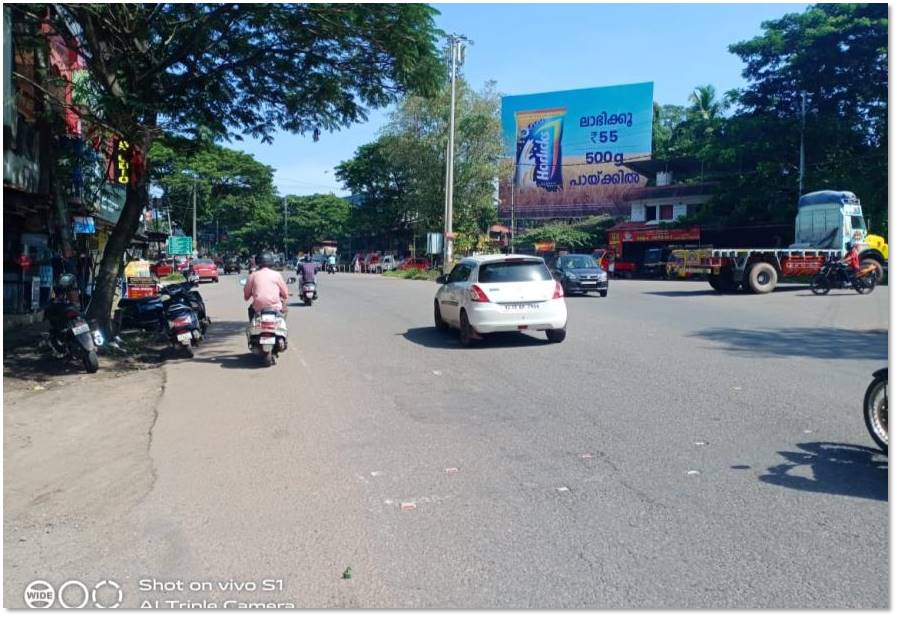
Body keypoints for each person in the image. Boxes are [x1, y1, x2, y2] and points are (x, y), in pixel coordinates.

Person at [243, 251, 288, 320]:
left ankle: (252, 326)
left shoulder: (253, 275)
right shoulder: (277, 275)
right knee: (284, 311)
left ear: (258, 262)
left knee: (251, 310)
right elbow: (285, 294)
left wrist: (252, 294)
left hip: (258, 308)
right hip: (275, 308)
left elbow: (246, 296)